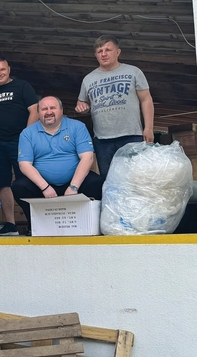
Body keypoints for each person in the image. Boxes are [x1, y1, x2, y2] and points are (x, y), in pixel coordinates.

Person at [12, 96, 104, 228]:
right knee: (19, 187)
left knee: (97, 183)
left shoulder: (77, 127)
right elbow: (24, 165)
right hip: (43, 186)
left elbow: (87, 158)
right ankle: (36, 226)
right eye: (44, 109)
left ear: (61, 110)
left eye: (52, 108)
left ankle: (87, 225)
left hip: (74, 183)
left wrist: (74, 187)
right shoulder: (27, 133)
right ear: (38, 113)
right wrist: (45, 187)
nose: (48, 112)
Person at [75, 35, 154, 176]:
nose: (104, 54)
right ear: (95, 55)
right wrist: (81, 106)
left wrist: (148, 128)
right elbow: (82, 102)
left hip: (131, 135)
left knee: (136, 177)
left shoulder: (133, 72)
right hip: (102, 139)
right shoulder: (88, 79)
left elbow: (146, 100)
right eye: (100, 51)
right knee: (109, 179)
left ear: (118, 52)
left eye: (108, 50)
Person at [0, 57, 39, 236]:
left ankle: (35, 222)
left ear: (8, 69)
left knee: (26, 182)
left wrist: (26, 136)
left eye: (2, 69)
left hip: (19, 141)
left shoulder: (22, 86)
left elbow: (34, 110)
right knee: (2, 183)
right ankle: (10, 224)